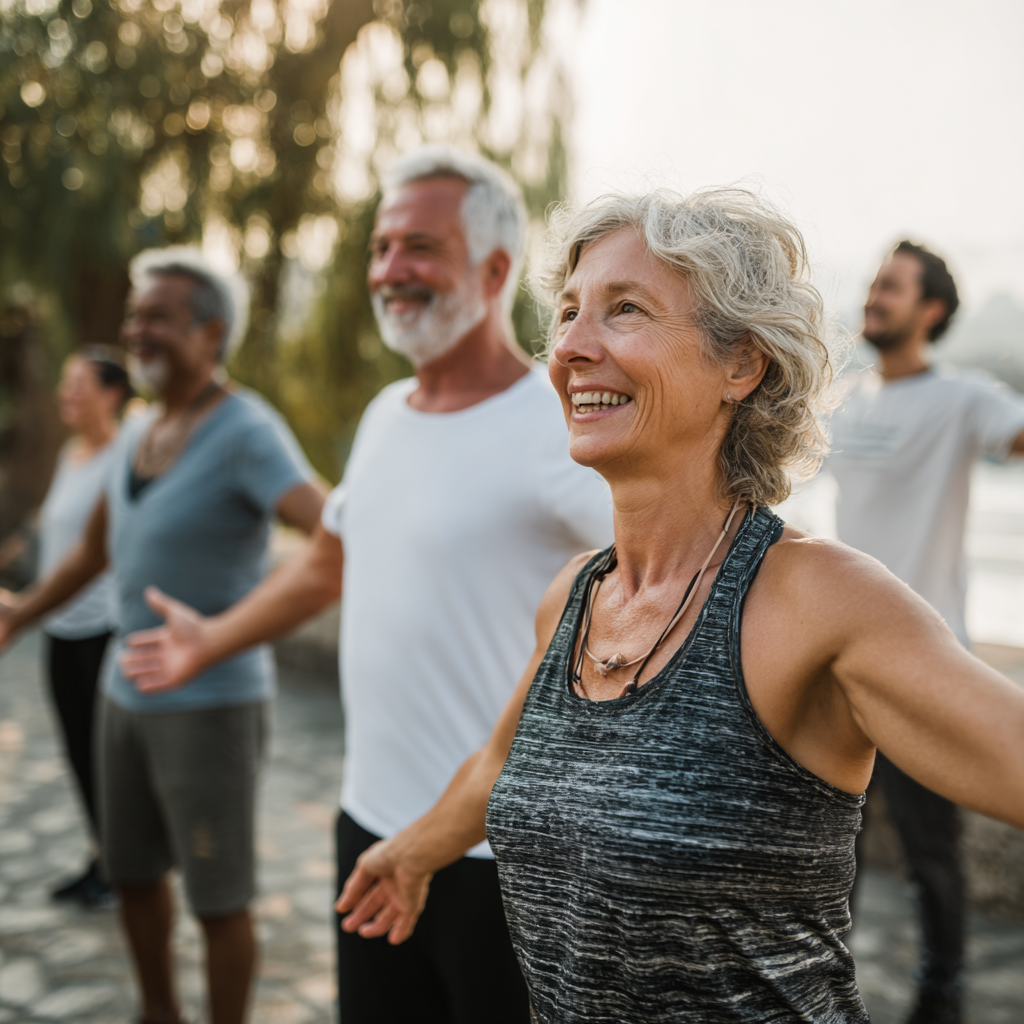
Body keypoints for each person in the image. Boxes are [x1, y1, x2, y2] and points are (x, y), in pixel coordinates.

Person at [333, 189, 1024, 1024]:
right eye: (568, 312)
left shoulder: (819, 602)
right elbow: (498, 766)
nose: (570, 347)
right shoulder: (573, 597)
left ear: (742, 364)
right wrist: (410, 853)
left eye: (625, 310)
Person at [116, 146, 614, 1024]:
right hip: (370, 823)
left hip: (501, 850)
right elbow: (329, 562)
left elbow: (666, 584)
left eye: (419, 246)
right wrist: (212, 639)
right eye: (381, 247)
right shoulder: (387, 414)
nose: (389, 270)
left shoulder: (559, 425)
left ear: (494, 270)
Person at [0, 248, 325, 1024]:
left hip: (212, 705)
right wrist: (21, 612)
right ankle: (158, 1013)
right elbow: (94, 551)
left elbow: (330, 535)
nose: (137, 330)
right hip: (122, 695)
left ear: (212, 332)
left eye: (159, 317)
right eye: (133, 315)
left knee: (219, 899)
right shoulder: (139, 429)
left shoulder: (249, 431)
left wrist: (225, 633)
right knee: (133, 873)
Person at [826, 240, 1024, 1024]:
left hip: (925, 671)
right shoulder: (845, 401)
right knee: (831, 853)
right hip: (836, 672)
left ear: (931, 309)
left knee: (930, 855)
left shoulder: (964, 397)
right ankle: (827, 987)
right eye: (873, 283)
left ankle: (941, 1000)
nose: (873, 297)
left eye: (892, 287)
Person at [37, 346, 131, 909]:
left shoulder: (126, 455)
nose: (66, 394)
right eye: (64, 383)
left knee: (108, 760)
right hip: (59, 630)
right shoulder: (70, 453)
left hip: (104, 630)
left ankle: (123, 869)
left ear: (112, 394)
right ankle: (103, 859)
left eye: (79, 385)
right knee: (77, 751)